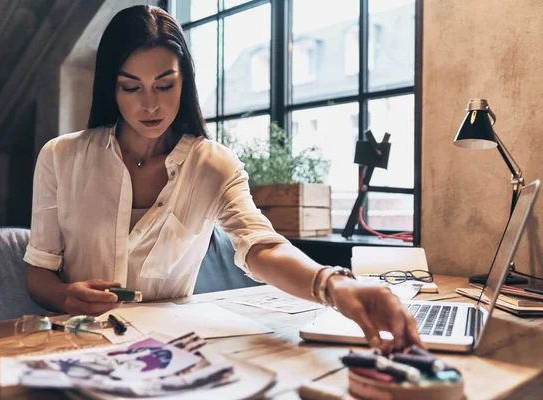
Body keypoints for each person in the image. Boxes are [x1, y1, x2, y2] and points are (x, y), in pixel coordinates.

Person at [25, 5, 422, 351]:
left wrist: (333, 285)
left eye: (165, 85)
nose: (150, 104)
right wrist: (64, 295)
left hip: (168, 351)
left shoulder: (212, 165)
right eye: (131, 88)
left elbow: (260, 247)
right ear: (111, 87)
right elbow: (38, 273)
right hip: (75, 345)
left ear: (186, 81)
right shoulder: (60, 157)